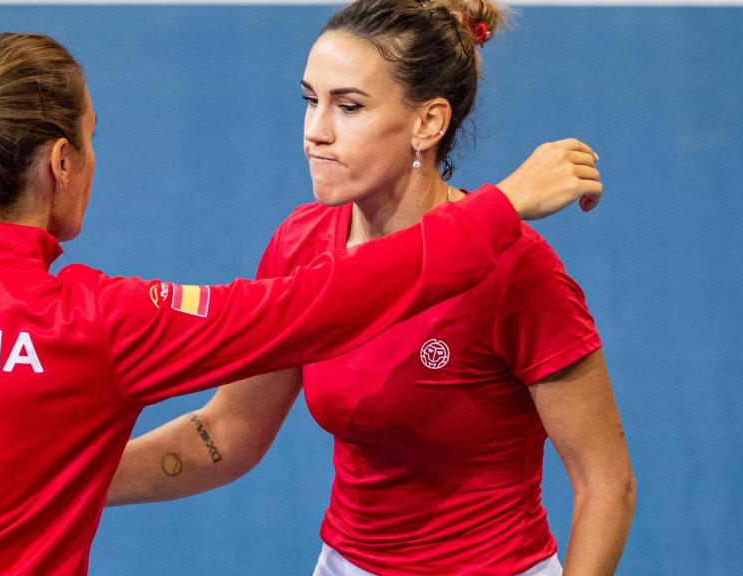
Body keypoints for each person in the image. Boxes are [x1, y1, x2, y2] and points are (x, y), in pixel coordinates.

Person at [0, 31, 599, 576]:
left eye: (343, 105)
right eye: (91, 138)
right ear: (60, 163)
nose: (315, 129)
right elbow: (328, 305)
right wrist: (504, 204)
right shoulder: (98, 323)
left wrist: (46, 480)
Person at [108, 1, 635, 575]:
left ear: (427, 123)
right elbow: (230, 430)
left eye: (349, 106)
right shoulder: (300, 244)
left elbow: (606, 484)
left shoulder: (517, 271)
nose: (316, 132)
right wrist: (72, 481)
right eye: (311, 101)